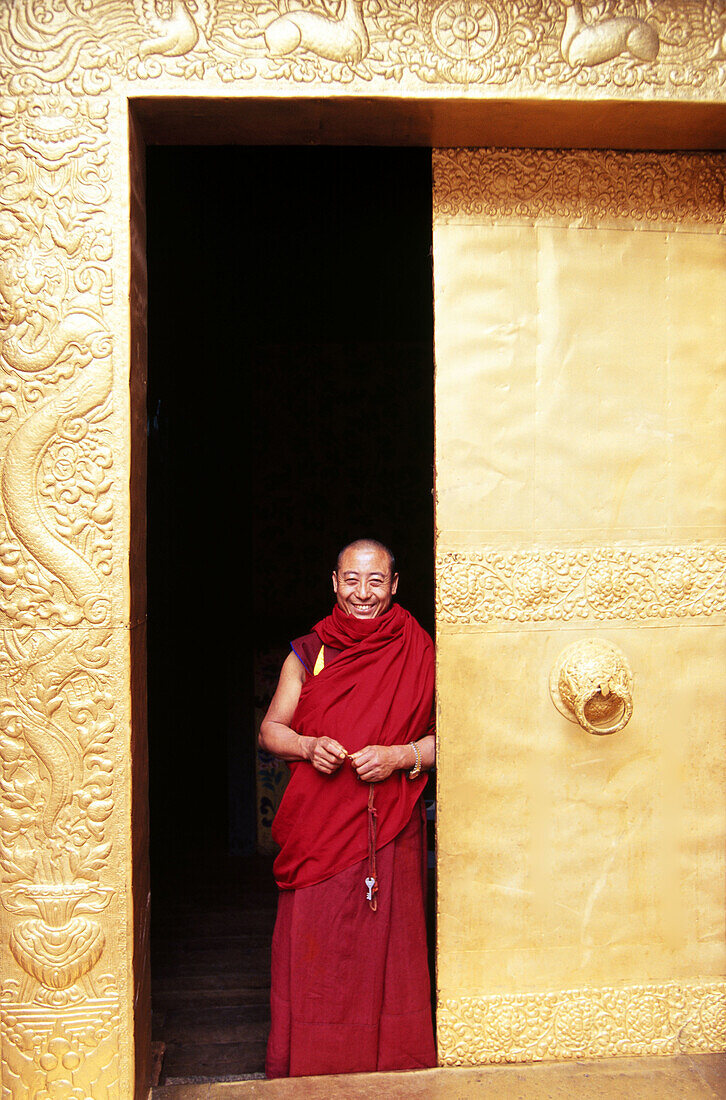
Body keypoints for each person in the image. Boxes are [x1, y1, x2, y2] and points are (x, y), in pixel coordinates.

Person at [259, 538, 436, 1078]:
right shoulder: (310, 653)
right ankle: (314, 1064)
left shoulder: (419, 648)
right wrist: (309, 746)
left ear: (395, 585)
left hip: (391, 828)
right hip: (322, 832)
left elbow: (455, 737)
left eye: (376, 580)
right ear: (334, 582)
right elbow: (271, 730)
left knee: (390, 952)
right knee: (319, 951)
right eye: (352, 580)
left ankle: (394, 1068)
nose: (363, 593)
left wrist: (400, 755)